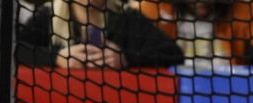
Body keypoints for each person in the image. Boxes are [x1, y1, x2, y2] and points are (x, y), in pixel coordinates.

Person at [16, 0, 184, 68]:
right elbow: (15, 51)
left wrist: (126, 58)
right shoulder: (48, 15)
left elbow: (172, 53)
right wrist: (57, 58)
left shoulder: (126, 18)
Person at [134, 0, 253, 68]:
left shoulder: (242, 9)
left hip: (225, 96)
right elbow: (129, 45)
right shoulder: (155, 7)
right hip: (171, 94)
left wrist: (245, 82)